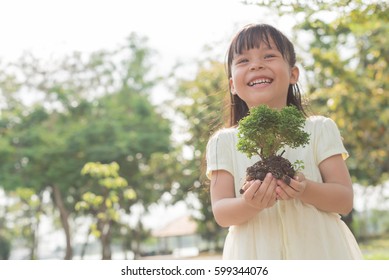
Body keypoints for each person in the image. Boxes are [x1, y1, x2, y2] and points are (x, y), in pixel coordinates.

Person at [205, 23, 363, 259]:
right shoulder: (222, 142)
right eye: (243, 61)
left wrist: (305, 189)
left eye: (269, 56)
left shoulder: (319, 129)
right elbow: (221, 212)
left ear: (293, 74)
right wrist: (251, 204)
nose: (256, 64)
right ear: (232, 86)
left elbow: (344, 200)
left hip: (320, 253)